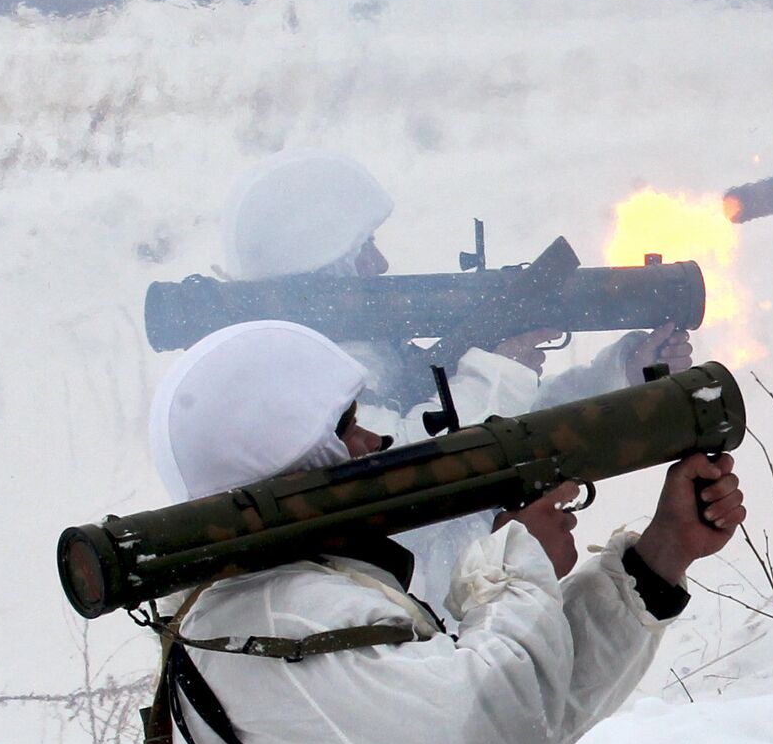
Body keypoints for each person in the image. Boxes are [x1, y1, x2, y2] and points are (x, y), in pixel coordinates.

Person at [143, 319, 745, 744]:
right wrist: (516, 562)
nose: (374, 441)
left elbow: (534, 713)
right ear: (296, 461)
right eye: (348, 428)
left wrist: (662, 555)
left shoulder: (278, 600)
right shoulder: (283, 616)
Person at [222, 149, 694, 596]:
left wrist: (619, 374)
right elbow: (399, 468)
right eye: (363, 248)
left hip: (443, 614)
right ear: (319, 263)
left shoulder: (369, 351)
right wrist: (498, 371)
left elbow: (509, 433)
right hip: (409, 618)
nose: (380, 264)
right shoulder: (300, 377)